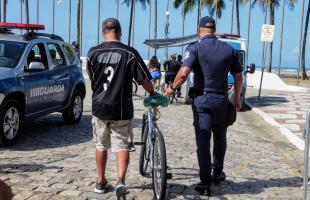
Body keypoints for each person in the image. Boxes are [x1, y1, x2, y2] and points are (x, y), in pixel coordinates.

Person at [165, 16, 243, 195]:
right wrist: (237, 98)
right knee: (220, 136)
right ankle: (217, 173)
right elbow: (239, 77)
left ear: (199, 30)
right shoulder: (229, 50)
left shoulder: (195, 48)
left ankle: (205, 182)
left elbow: (184, 74)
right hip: (222, 100)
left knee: (203, 141)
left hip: (203, 101)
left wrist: (171, 88)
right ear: (214, 29)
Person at [87, 18, 155, 196]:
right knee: (122, 145)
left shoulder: (93, 53)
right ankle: (120, 180)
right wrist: (153, 93)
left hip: (99, 107)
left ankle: (101, 181)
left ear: (104, 32)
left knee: (101, 145)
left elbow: (94, 81)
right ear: (120, 32)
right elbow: (144, 81)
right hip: (121, 109)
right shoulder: (129, 53)